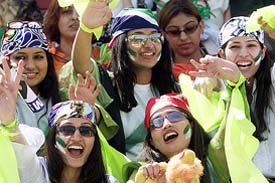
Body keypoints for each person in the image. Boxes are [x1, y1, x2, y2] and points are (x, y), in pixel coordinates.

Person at [59, 1, 180, 159]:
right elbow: (81, 66)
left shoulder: (175, 88)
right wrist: (86, 28)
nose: (149, 45)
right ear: (119, 45)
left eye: (155, 37)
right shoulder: (106, 84)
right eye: (138, 38)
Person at [0, 59, 119, 182]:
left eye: (86, 130)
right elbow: (22, 155)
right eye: (67, 129)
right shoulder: (39, 173)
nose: (77, 137)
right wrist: (9, 120)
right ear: (53, 139)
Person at [189, 16, 275, 181]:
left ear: (263, 52)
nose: (243, 54)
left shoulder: (272, 79)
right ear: (221, 53)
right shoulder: (215, 86)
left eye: (251, 45)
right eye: (235, 47)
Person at [124, 93, 229, 183]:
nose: (166, 124)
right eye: (157, 122)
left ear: (191, 124)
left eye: (175, 116)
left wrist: (234, 82)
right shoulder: (145, 173)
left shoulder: (214, 160)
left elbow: (233, 121)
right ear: (152, 142)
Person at [0, 20, 61, 136]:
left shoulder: (62, 96)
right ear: (5, 62)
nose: (31, 66)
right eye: (20, 57)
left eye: (38, 57)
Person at [157, 0, 211, 80]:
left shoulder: (220, 66)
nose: (183, 37)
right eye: (174, 32)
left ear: (201, 26)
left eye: (190, 28)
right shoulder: (158, 75)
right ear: (163, 34)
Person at [43, 0, 80, 74]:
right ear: (55, 19)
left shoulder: (105, 57)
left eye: (80, 11)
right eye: (67, 11)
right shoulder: (45, 58)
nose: (75, 17)